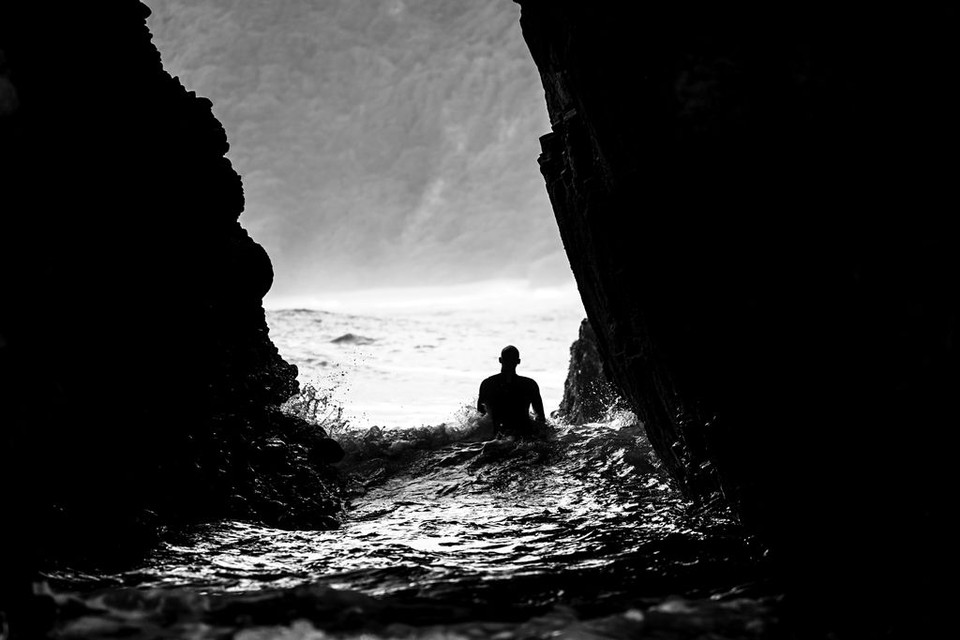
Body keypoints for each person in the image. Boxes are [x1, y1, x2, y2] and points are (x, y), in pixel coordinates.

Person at [477, 345, 546, 438]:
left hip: (497, 437)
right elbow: (540, 418)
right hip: (524, 436)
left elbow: (479, 418)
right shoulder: (529, 384)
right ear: (518, 361)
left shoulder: (488, 384)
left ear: (500, 360)